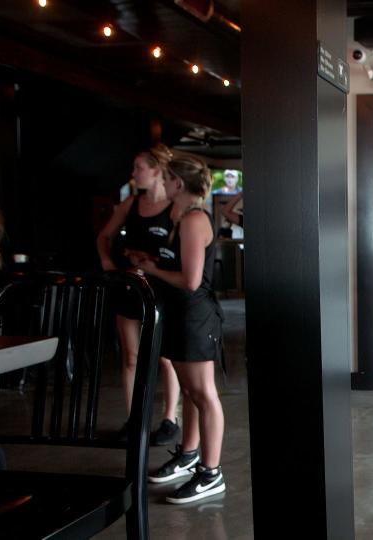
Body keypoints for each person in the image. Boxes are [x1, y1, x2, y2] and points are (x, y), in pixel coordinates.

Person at [136, 155, 226, 504]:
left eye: (167, 177)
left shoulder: (192, 219)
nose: (162, 182)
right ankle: (190, 455)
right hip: (182, 314)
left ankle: (211, 472)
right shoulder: (181, 217)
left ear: (177, 184)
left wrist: (151, 270)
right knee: (192, 393)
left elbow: (190, 281)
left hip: (195, 315)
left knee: (204, 394)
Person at [96, 145, 181, 445]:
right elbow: (103, 236)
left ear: (157, 170)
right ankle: (135, 420)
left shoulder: (174, 208)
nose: (133, 174)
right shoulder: (130, 204)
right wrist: (108, 263)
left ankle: (170, 418)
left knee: (166, 358)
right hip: (131, 289)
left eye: (138, 168)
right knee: (131, 357)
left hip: (162, 291)